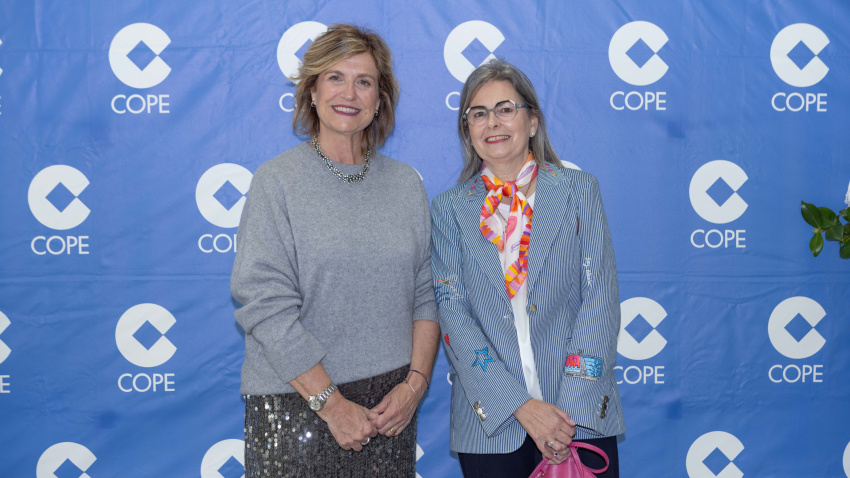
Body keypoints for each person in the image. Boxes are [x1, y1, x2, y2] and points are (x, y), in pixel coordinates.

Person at [231, 24, 440, 477]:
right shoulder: (277, 181)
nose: (350, 92)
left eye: (364, 81)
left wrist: (413, 387)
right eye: (335, 77)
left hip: (390, 410)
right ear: (311, 91)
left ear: (380, 98)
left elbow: (426, 295)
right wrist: (331, 404)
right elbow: (265, 304)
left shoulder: (406, 184)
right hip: (296, 405)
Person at [431, 58, 625, 477]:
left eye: (505, 108)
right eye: (478, 114)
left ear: (532, 121)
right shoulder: (448, 210)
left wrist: (564, 416)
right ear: (468, 129)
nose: (492, 123)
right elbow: (454, 317)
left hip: (579, 419)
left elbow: (600, 303)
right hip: (491, 427)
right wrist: (521, 407)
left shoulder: (579, 191)